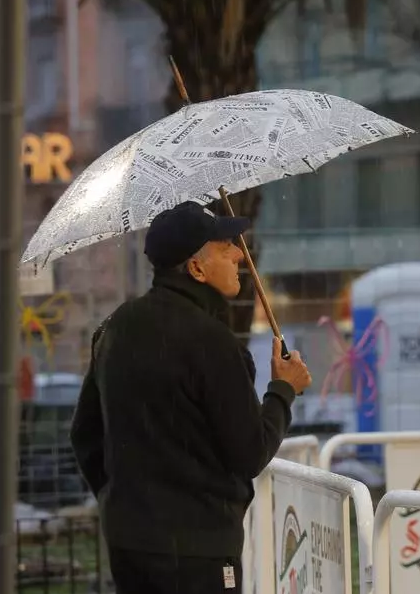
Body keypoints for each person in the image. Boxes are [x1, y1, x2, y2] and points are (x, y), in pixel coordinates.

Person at [69, 201, 313, 593]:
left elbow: (85, 435)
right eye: (225, 247)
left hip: (130, 546)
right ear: (196, 269)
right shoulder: (212, 342)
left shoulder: (115, 327)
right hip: (200, 553)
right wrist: (283, 390)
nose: (238, 254)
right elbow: (250, 453)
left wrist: (124, 503)